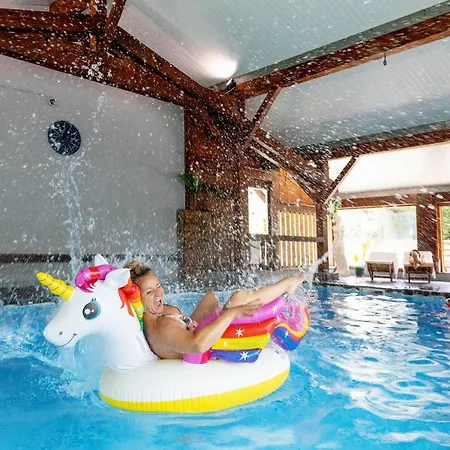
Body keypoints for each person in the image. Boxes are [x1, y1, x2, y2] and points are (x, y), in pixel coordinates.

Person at [124, 260, 306, 359]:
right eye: (149, 292)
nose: (159, 293)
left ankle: (282, 291)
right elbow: (198, 345)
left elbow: (184, 329)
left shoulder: (159, 312)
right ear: (137, 298)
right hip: (210, 346)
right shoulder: (161, 326)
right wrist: (231, 313)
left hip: (199, 332)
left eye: (158, 286)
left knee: (211, 298)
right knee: (239, 299)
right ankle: (287, 285)